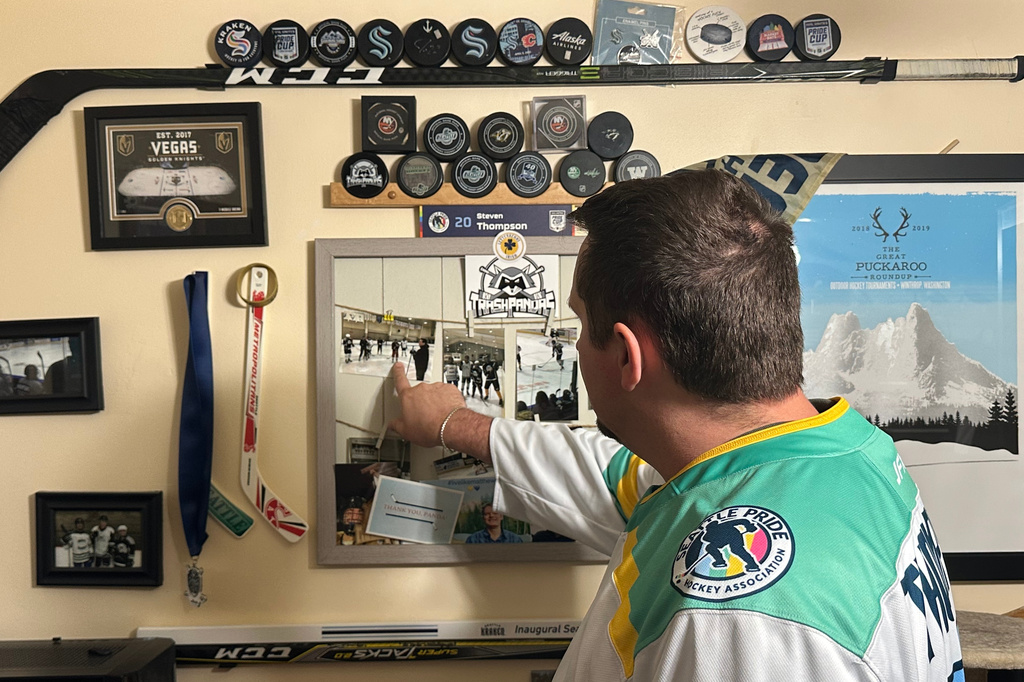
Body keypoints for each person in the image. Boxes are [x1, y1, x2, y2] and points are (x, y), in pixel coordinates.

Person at [387, 170, 963, 681]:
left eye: (579, 322)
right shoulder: (840, 456)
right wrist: (453, 424)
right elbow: (619, 479)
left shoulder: (739, 621)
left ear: (625, 356)